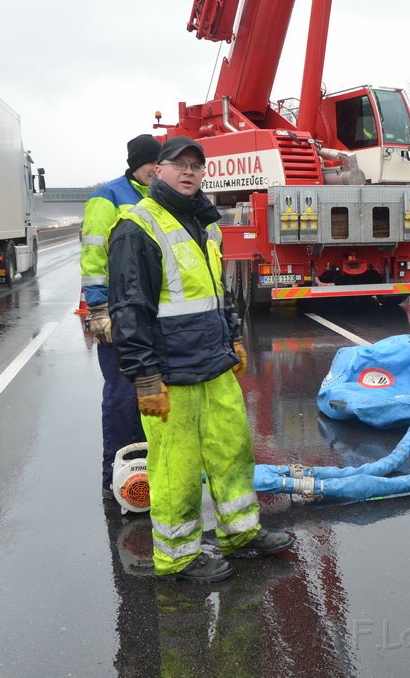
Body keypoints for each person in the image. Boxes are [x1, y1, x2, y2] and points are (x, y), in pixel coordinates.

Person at [107, 135, 293, 582]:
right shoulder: (138, 226)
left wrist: (233, 340)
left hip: (214, 364)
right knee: (177, 470)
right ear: (159, 169)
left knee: (233, 453)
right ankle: (180, 557)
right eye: (179, 164)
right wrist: (145, 378)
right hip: (171, 375)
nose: (189, 172)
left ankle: (240, 533)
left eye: (197, 165)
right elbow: (130, 310)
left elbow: (216, 293)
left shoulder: (204, 223)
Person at [81, 134, 161, 500]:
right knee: (121, 395)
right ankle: (112, 472)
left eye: (158, 164)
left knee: (152, 392)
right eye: (148, 163)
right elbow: (94, 255)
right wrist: (98, 309)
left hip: (153, 313)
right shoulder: (109, 197)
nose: (153, 170)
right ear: (135, 164)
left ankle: (146, 469)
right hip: (117, 312)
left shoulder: (161, 196)